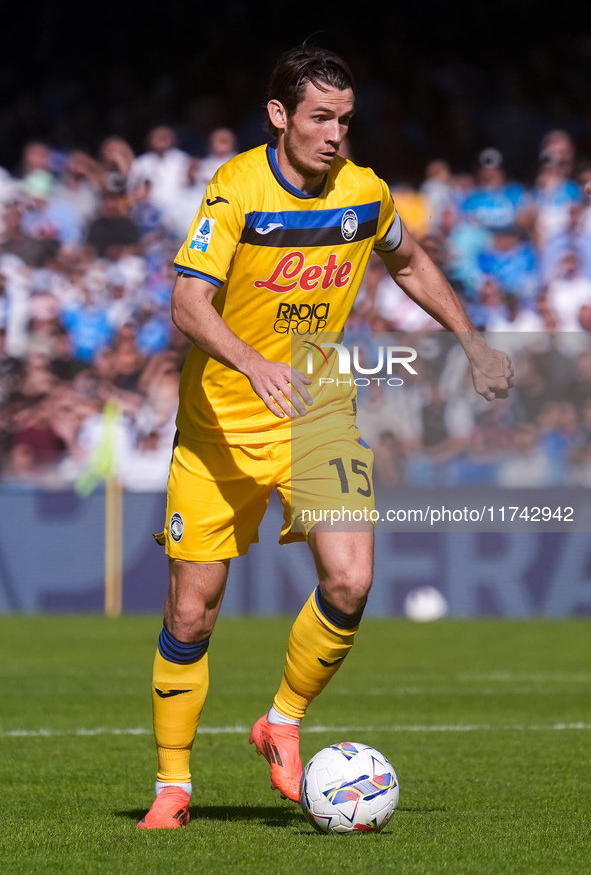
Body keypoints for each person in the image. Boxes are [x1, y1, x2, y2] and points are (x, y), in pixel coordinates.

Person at [137, 44, 514, 830]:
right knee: (191, 615)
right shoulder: (236, 187)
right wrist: (249, 361)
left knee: (349, 580)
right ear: (278, 116)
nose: (336, 134)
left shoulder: (364, 193)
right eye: (319, 117)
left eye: (345, 119)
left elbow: (409, 263)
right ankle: (173, 785)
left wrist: (470, 341)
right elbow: (187, 303)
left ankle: (281, 717)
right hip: (218, 427)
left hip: (315, 412)